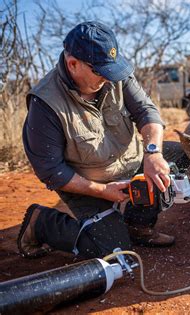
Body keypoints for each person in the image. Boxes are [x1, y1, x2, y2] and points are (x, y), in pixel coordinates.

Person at [19, 21, 175, 260]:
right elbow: (52, 172)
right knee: (113, 254)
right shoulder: (45, 104)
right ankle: (42, 223)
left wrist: (153, 153)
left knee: (177, 159)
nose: (109, 77)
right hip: (87, 184)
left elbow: (147, 111)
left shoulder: (114, 75)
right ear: (73, 64)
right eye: (101, 71)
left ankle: (137, 226)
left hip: (129, 164)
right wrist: (103, 191)